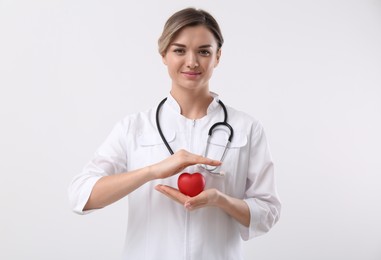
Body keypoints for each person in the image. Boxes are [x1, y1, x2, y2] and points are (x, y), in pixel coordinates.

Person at [68, 7, 281, 260]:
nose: (191, 61)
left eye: (204, 51)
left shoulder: (246, 128)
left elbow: (268, 211)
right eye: (179, 50)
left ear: (218, 57)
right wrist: (152, 171)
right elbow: (81, 196)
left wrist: (220, 200)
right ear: (164, 55)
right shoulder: (134, 127)